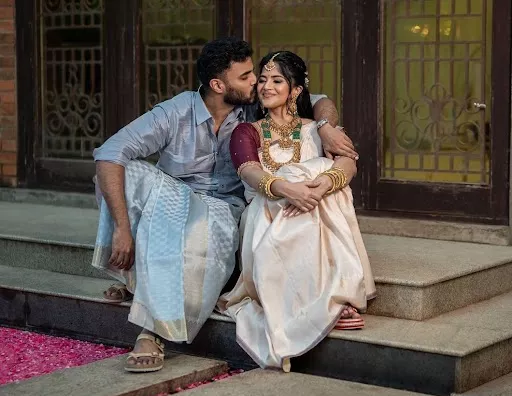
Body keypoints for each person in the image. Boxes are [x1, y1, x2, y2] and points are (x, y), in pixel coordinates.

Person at [92, 37, 356, 373]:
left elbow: (318, 100)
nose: (257, 82)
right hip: (173, 198)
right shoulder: (175, 112)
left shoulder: (253, 105)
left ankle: (151, 330)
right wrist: (122, 229)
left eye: (257, 75)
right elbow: (110, 152)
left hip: (222, 206)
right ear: (219, 85)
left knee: (197, 229)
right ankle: (135, 279)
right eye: (247, 76)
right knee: (125, 172)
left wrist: (326, 126)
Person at [217, 51, 376, 372]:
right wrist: (288, 189)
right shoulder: (247, 131)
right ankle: (331, 298)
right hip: (266, 210)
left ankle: (333, 294)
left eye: (277, 80)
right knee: (298, 178)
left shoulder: (317, 129)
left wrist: (321, 185)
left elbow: (347, 161)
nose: (266, 86)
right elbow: (249, 171)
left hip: (315, 206)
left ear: (296, 90)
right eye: (262, 80)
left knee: (326, 180)